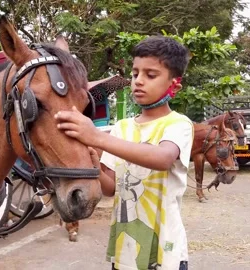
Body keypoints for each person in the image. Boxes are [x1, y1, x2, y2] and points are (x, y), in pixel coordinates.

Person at [54, 35, 193, 270]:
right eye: (135, 73)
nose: (138, 81)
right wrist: (93, 162)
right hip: (125, 252)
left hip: (165, 252)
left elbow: (162, 158)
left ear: (174, 85)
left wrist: (96, 137)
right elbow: (111, 188)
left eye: (150, 75)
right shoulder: (122, 128)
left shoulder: (178, 125)